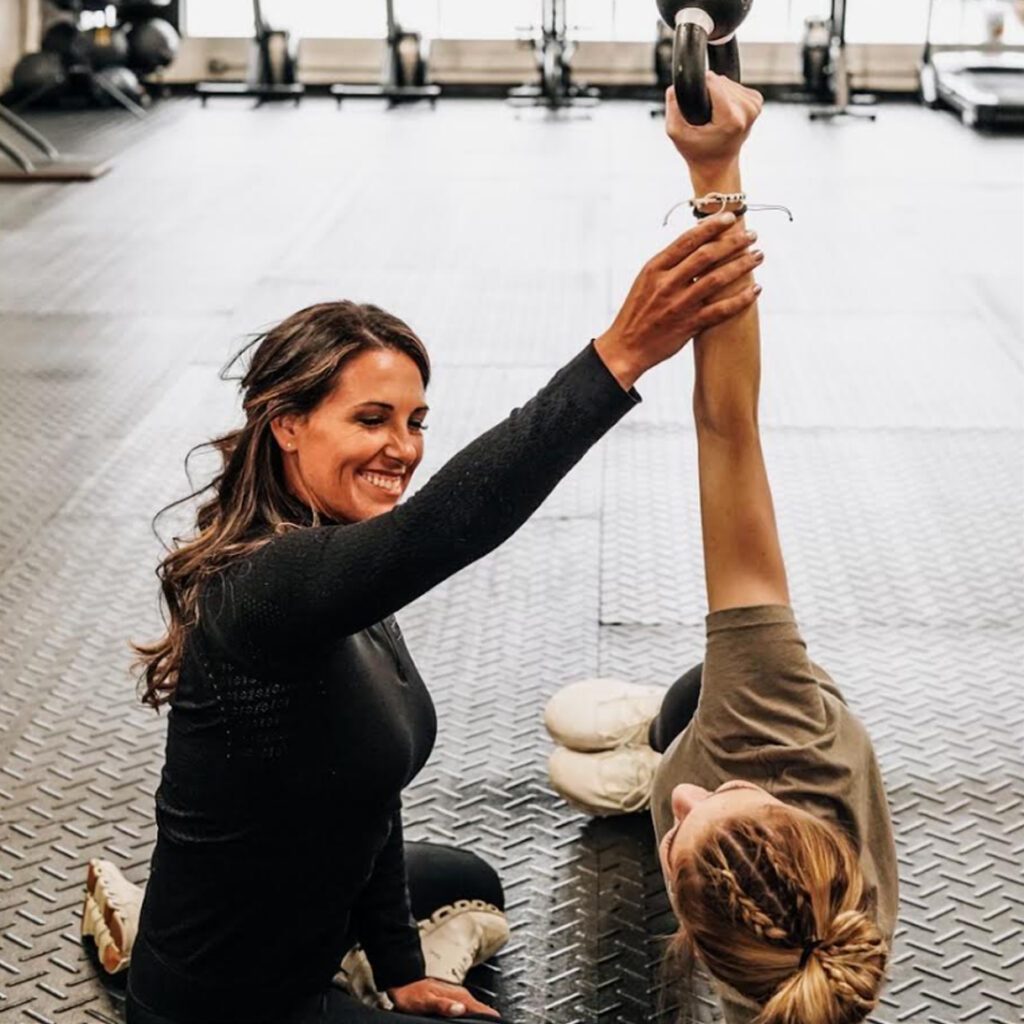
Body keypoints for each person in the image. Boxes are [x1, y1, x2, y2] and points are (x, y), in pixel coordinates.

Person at [79, 173, 763, 1021]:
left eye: (415, 421)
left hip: (294, 913)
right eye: (371, 419)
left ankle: (326, 961)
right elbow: (446, 527)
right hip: (231, 1004)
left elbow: (365, 791)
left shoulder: (333, 557)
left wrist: (404, 968)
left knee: (465, 881)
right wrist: (619, 355)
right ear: (286, 423)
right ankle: (160, 944)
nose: (402, 449)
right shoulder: (267, 583)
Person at [544, 76, 897, 1024]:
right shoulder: (777, 729)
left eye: (681, 829)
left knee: (573, 756)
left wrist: (687, 795)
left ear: (694, 942)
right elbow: (728, 428)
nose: (698, 795)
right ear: (809, 831)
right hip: (731, 702)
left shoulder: (769, 980)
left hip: (725, 761)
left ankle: (634, 774)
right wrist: (718, 171)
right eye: (732, 795)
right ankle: (646, 742)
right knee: (677, 711)